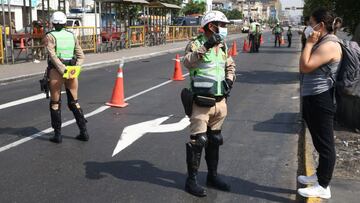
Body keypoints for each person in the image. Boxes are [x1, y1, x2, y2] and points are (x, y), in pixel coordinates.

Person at [182, 10, 236, 197]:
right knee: (199, 142)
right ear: (211, 26)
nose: (224, 29)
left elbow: (230, 65)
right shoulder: (195, 44)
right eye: (222, 25)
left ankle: (212, 176)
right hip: (201, 103)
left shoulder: (222, 46)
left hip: (220, 103)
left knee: (215, 141)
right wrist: (205, 46)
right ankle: (191, 181)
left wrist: (229, 80)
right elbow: (187, 62)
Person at [298, 7, 342, 199]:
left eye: (310, 23)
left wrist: (308, 43)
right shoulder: (323, 41)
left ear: (320, 25)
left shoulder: (330, 45)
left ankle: (323, 186)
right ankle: (318, 176)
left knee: (325, 144)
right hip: (313, 97)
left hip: (321, 99)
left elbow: (305, 66)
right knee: (318, 140)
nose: (308, 26)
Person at [44, 11, 89, 143]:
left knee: (55, 103)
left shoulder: (49, 36)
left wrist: (62, 69)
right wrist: (75, 68)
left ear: (52, 23)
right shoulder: (71, 35)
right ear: (64, 23)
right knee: (74, 101)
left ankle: (57, 135)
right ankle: (84, 132)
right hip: (71, 71)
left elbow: (52, 55)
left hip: (56, 72)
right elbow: (81, 55)